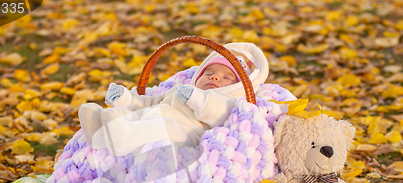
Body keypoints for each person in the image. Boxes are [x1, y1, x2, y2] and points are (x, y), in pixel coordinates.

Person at [78, 42, 269, 156]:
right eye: (208, 72)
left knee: (167, 126)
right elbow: (151, 102)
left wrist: (198, 99)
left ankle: (123, 139)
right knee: (124, 114)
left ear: (237, 86)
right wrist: (125, 100)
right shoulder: (181, 90)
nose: (214, 77)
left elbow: (219, 113)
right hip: (151, 118)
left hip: (184, 136)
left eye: (226, 77)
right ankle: (100, 134)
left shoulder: (229, 102)